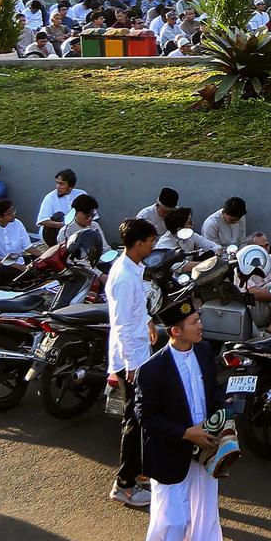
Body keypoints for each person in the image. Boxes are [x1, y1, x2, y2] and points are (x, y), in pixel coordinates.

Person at [136, 300, 226, 541]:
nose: (201, 326)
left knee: (205, 516)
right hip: (170, 455)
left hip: (205, 452)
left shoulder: (205, 351)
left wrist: (222, 414)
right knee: (174, 522)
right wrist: (186, 433)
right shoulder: (152, 370)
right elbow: (145, 416)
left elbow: (214, 390)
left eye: (199, 319)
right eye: (195, 322)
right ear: (176, 331)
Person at [107, 218, 160, 509]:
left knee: (138, 418)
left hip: (138, 354)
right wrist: (131, 364)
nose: (153, 245)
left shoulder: (132, 269)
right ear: (138, 243)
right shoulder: (124, 276)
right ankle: (124, 485)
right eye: (151, 241)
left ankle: (137, 474)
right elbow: (122, 324)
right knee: (134, 420)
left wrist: (149, 321)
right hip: (132, 359)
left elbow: (136, 310)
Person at [0, 199, 39, 284]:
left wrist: (45, 256)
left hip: (17, 259)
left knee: (38, 262)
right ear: (0, 218)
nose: (13, 214)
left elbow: (28, 247)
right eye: (9, 213)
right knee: (6, 271)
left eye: (13, 210)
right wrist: (19, 267)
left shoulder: (17, 223)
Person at [36, 168, 86, 245]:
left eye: (61, 184)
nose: (58, 187)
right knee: (59, 215)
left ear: (71, 186)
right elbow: (42, 221)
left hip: (77, 230)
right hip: (53, 233)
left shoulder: (81, 194)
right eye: (57, 183)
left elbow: (93, 217)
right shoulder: (50, 197)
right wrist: (62, 225)